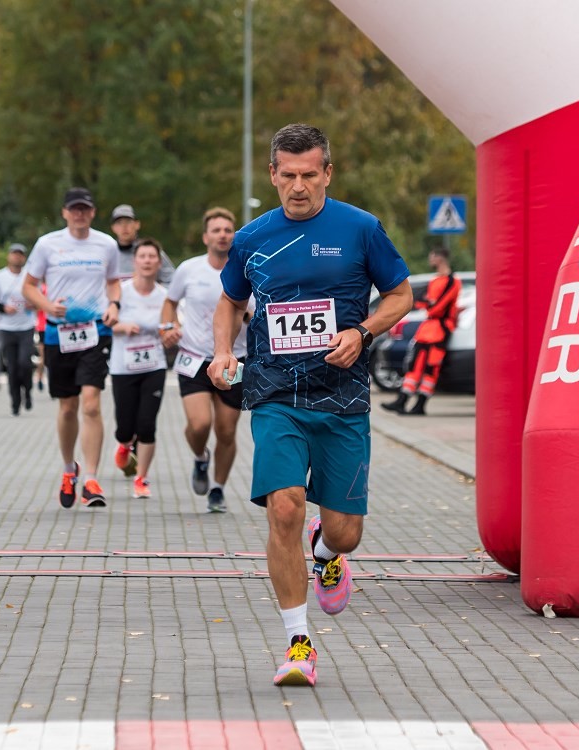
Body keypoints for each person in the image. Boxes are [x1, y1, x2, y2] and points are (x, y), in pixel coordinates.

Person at [208, 123, 412, 687]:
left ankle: (327, 551)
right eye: (288, 175)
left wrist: (363, 333)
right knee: (284, 508)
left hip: (342, 395)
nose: (299, 186)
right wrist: (223, 350)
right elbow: (229, 301)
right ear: (273, 175)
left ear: (328, 173)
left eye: (309, 175)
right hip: (275, 392)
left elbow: (401, 295)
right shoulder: (251, 237)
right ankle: (298, 643)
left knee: (346, 534)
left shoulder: (360, 229)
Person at [23, 187, 121, 508]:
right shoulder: (47, 244)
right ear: (65, 212)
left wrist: (115, 305)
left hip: (95, 331)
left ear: (93, 212)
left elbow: (113, 281)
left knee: (91, 404)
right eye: (74, 209)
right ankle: (69, 469)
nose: (80, 214)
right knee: (68, 406)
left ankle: (91, 479)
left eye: (85, 209)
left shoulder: (106, 244)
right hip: (59, 334)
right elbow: (28, 286)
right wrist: (47, 306)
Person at [160, 207, 249, 513]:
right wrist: (168, 327)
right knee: (199, 425)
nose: (222, 235)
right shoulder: (189, 269)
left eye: (228, 230)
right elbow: (170, 302)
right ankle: (200, 458)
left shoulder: (246, 269)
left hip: (235, 360)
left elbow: (259, 311)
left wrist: (250, 315)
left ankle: (218, 489)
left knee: (226, 430)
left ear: (234, 235)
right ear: (205, 237)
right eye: (216, 230)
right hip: (194, 357)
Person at [109, 238, 169, 499]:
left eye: (152, 257)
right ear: (134, 261)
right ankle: (124, 445)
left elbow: (172, 325)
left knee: (147, 424)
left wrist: (171, 333)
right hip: (123, 366)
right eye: (142, 256)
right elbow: (105, 322)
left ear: (159, 262)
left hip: (154, 365)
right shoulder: (120, 292)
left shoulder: (165, 296)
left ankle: (141, 478)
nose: (147, 261)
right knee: (125, 428)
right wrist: (122, 326)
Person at [382, 246, 462, 416]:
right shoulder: (435, 280)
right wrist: (429, 304)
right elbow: (420, 302)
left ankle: (420, 404)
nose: (430, 260)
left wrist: (430, 305)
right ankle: (402, 400)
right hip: (427, 330)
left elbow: (437, 307)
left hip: (440, 330)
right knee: (414, 366)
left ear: (439, 258)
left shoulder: (452, 281)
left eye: (432, 256)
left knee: (431, 368)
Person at [0, 243, 36, 415]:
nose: (17, 257)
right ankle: (15, 402)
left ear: (24, 258)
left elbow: (39, 297)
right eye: (14, 254)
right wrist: (4, 309)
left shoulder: (30, 276)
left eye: (20, 254)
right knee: (12, 367)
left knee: (25, 363)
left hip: (26, 326)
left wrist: (33, 303)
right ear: (9, 257)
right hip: (7, 327)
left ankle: (28, 391)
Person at [110, 204, 175, 284]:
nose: (124, 226)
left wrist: (156, 291)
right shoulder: (108, 253)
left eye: (128, 222)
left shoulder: (150, 252)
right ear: (113, 228)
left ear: (137, 225)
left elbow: (172, 281)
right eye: (119, 223)